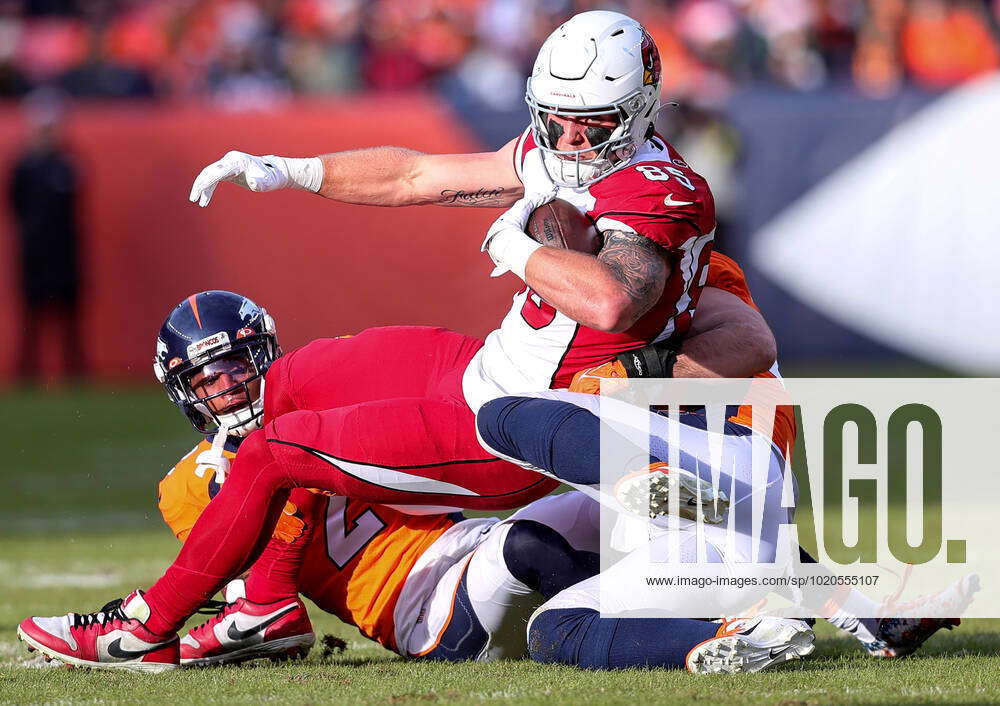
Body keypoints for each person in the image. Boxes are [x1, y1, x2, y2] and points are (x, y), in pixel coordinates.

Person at [15, 11, 761, 672]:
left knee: (278, 453)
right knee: (298, 379)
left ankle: (148, 626)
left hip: (518, 423)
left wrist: (513, 244)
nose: (567, 139)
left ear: (638, 111)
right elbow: (415, 176)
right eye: (554, 118)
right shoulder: (562, 149)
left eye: (590, 123)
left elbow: (608, 298)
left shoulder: (658, 187)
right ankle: (267, 601)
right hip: (491, 366)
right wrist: (289, 170)